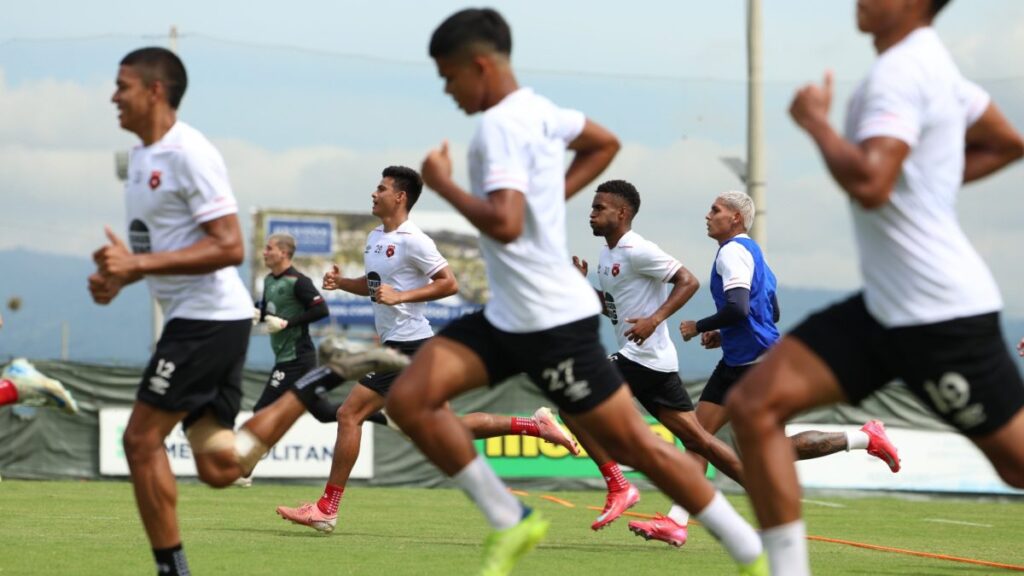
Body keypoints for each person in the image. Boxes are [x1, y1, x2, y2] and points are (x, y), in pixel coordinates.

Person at [384, 10, 767, 576]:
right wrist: (550, 195)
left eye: (449, 76)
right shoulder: (540, 111)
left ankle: (751, 551)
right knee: (409, 400)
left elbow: (507, 223)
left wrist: (443, 187)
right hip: (510, 316)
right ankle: (511, 519)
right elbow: (602, 142)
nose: (447, 89)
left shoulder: (498, 128)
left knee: (640, 448)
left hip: (550, 324)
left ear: (480, 65)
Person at [725, 1, 1024, 574]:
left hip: (940, 315)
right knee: (755, 406)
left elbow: (870, 182)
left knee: (1017, 467)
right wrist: (930, 184)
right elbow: (1005, 140)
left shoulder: (901, 73)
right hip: (885, 310)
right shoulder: (932, 63)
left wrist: (815, 122)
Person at [90, 47, 407, 576]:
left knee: (139, 439)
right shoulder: (141, 160)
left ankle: (173, 570)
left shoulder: (189, 153)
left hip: (206, 319)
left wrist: (136, 265)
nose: (112, 96)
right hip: (202, 318)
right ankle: (326, 374)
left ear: (155, 91)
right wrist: (120, 276)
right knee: (221, 466)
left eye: (122, 85)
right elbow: (167, 248)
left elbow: (227, 246)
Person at [276, 166, 579, 534]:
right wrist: (342, 283)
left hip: (409, 345)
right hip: (405, 344)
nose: (374, 193)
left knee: (348, 414)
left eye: (381, 188)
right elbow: (376, 287)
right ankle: (535, 426)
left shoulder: (414, 239)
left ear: (400, 197)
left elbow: (448, 283)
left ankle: (327, 508)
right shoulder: (374, 237)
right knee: (448, 428)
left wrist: (402, 295)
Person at [629, 190, 900, 547]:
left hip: (756, 366)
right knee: (698, 438)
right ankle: (676, 522)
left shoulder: (732, 253)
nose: (707, 215)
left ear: (735, 219)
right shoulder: (754, 255)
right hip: (736, 363)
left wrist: (700, 326)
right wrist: (724, 337)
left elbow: (740, 310)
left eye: (715, 210)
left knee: (767, 453)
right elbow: (769, 313)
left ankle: (865, 437)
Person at [564, 179, 750, 539]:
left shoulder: (638, 249)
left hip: (641, 357)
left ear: (622, 213)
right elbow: (614, 310)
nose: (592, 213)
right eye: (592, 207)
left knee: (571, 404)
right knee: (699, 441)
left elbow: (688, 281)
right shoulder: (608, 256)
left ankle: (619, 486)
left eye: (599, 208)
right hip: (654, 362)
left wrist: (655, 319)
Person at [253, 233, 335, 421]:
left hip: (297, 359)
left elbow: (321, 310)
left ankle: (250, 451)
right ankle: (383, 417)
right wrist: (258, 314)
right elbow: (269, 313)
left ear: (283, 253)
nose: (264, 253)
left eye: (269, 248)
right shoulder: (268, 280)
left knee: (260, 412)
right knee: (324, 413)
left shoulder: (299, 281)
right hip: (285, 357)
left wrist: (287, 323)